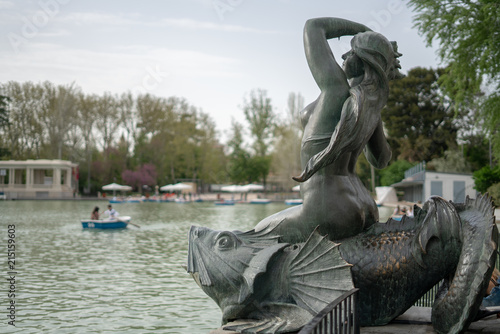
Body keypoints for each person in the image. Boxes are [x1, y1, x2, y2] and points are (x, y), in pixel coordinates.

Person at [253, 17, 403, 243]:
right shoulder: (368, 108)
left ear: (364, 61)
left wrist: (361, 29)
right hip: (364, 205)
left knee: (258, 233)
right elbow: (380, 159)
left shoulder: (336, 90)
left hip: (327, 209)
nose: (344, 56)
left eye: (352, 51)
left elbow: (313, 27)